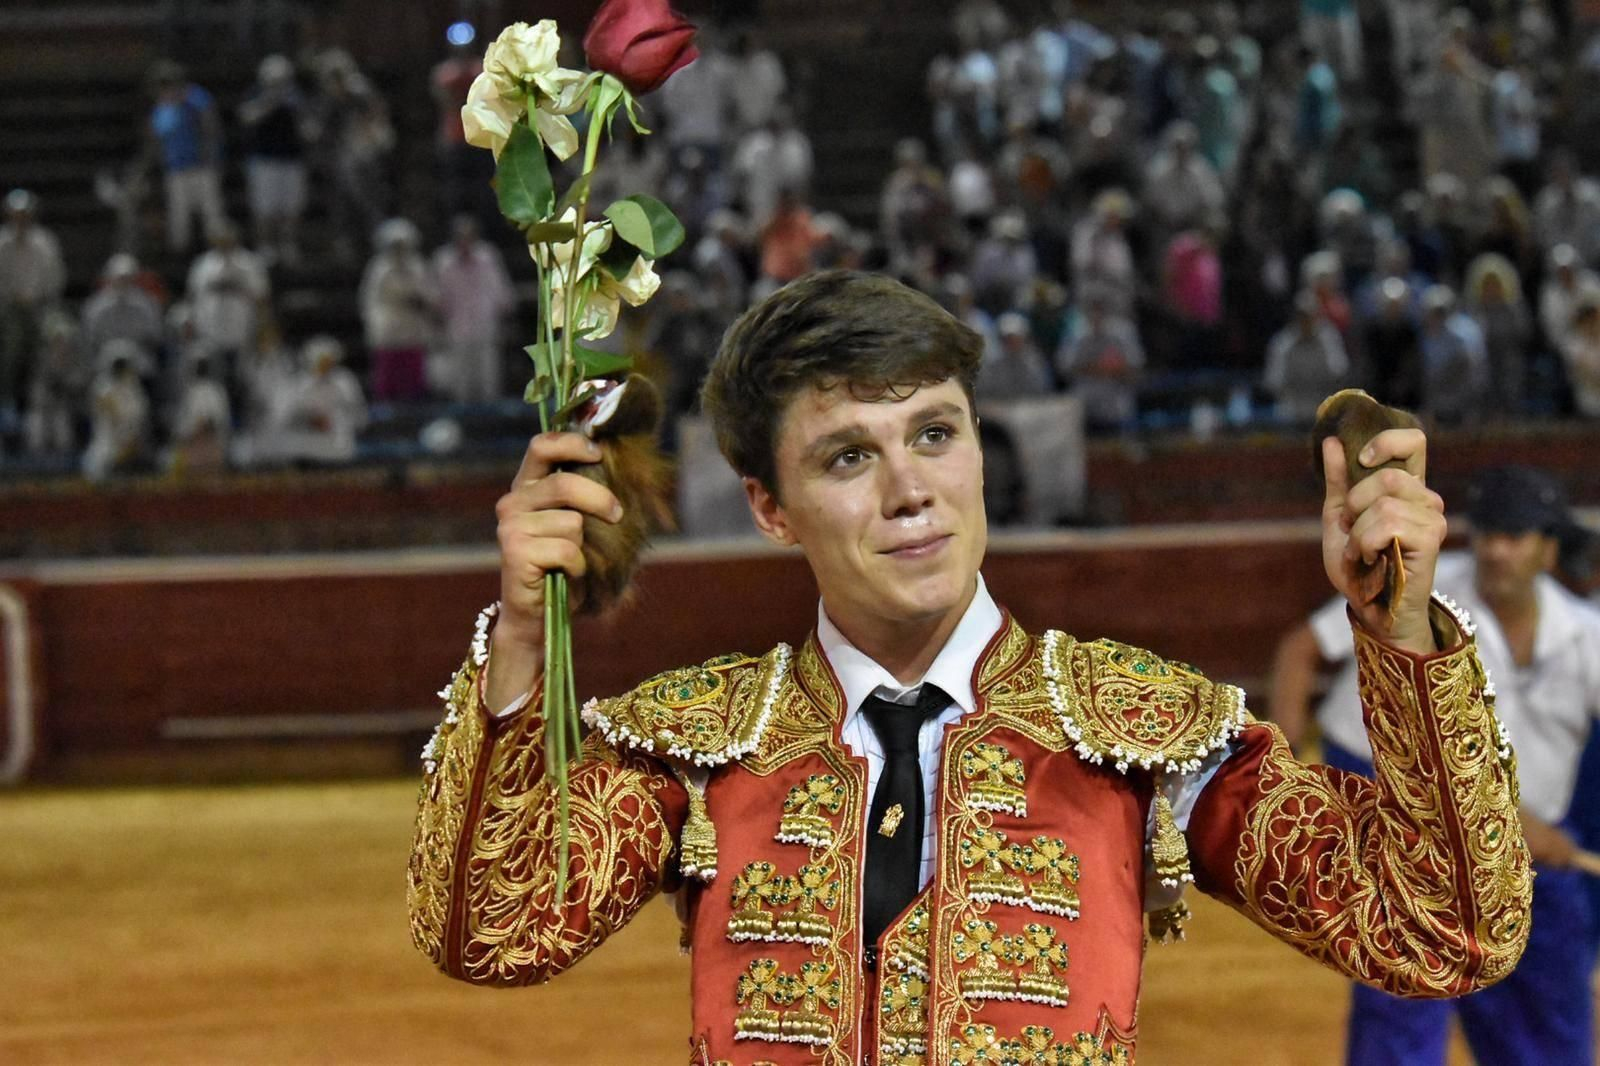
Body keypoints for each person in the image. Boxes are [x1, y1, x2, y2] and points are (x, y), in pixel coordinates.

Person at [409, 270, 1530, 1062]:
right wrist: (523, 636)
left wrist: (1401, 638)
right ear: (769, 507)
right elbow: (492, 931)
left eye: (936, 434)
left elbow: (1441, 933)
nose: (911, 491)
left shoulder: (1137, 731)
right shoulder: (699, 746)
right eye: (848, 456)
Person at [1269, 466, 1600, 1065]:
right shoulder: (1422, 589)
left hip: (1522, 848)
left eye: (1515, 536)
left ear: (1549, 549)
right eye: (1489, 534)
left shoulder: (1585, 634)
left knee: (1543, 1016)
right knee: (1404, 1001)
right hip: (1399, 822)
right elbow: (1301, 650)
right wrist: (1282, 759)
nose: (1496, 551)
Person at [431, 216, 514, 404]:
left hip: (485, 323)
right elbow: (438, 294)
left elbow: (499, 286)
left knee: (487, 372)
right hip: (457, 326)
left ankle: (490, 409)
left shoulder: (488, 256)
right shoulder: (444, 260)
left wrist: (505, 310)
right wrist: (438, 318)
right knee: (460, 375)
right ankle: (461, 409)